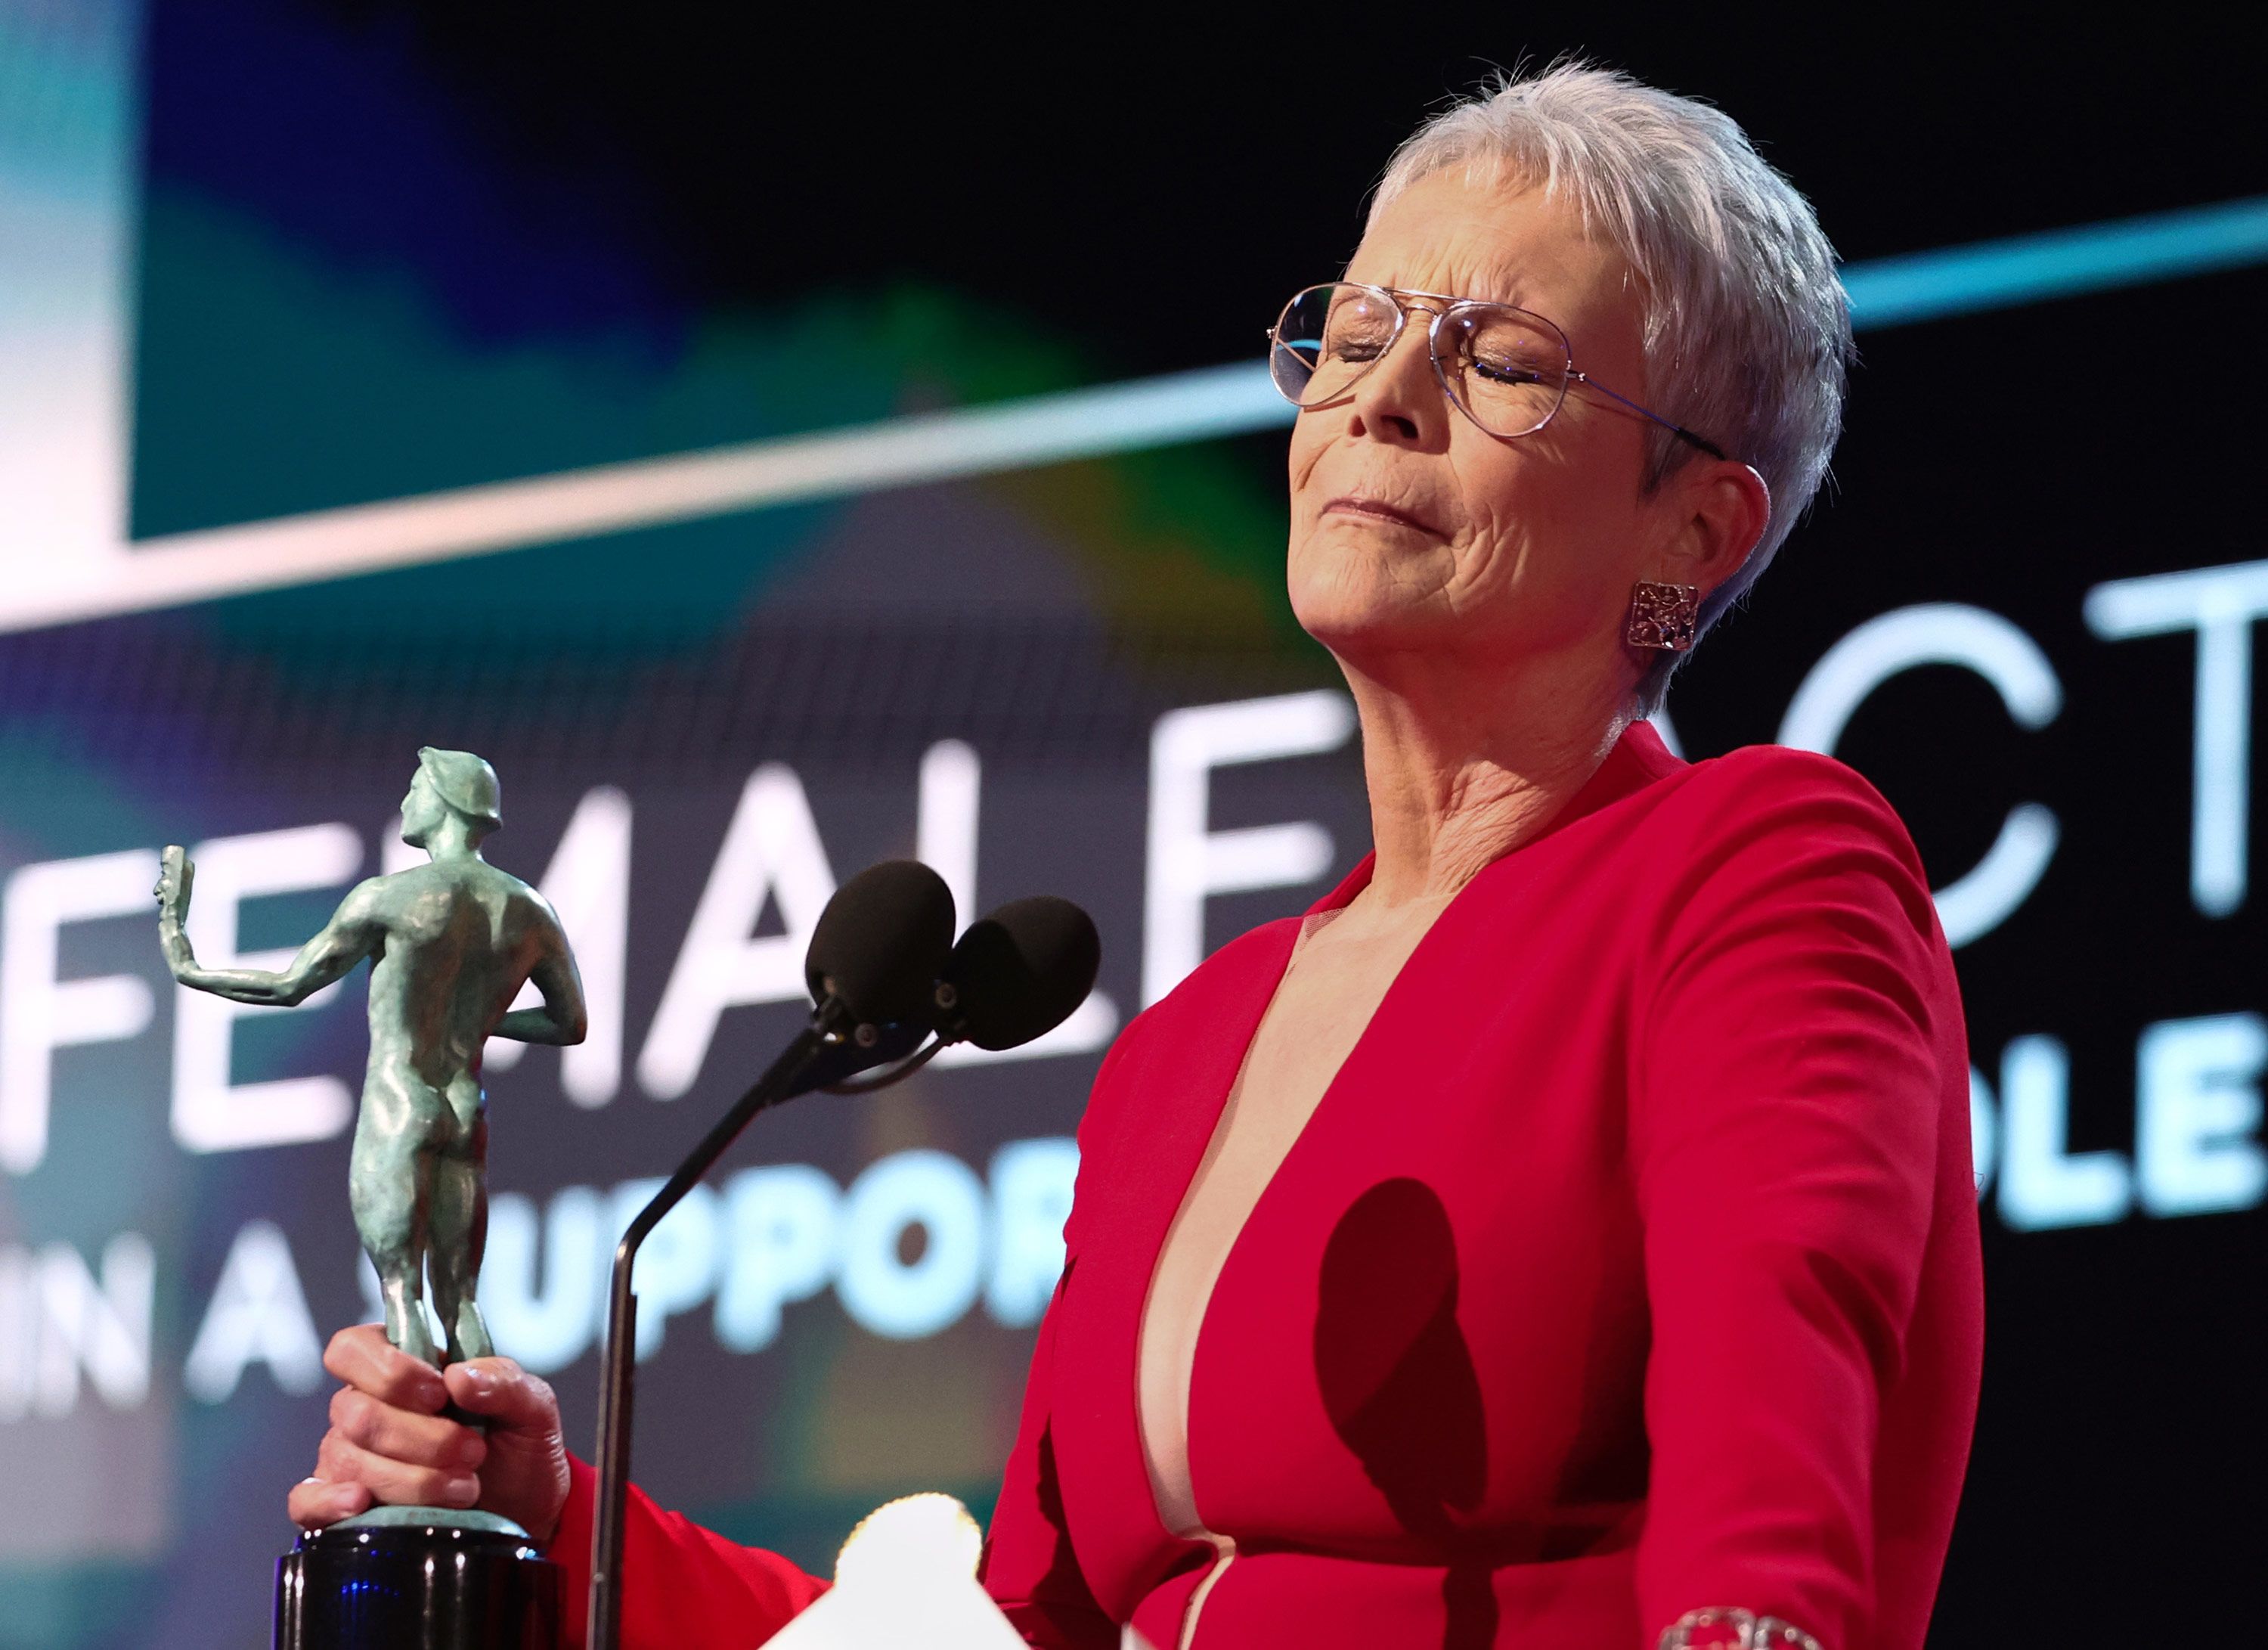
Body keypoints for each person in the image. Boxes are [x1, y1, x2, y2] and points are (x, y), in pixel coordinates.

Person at [288, 64, 1981, 1650]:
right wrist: (559, 1512)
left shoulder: (1752, 868)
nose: (1380, 398)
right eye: (1361, 327)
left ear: (1694, 524)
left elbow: (1778, 1455)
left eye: (1502, 360)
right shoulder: (1192, 1043)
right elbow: (1012, 1629)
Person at [163, 747, 587, 1366]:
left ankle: (427, 1448)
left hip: (400, 1097)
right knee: (461, 1303)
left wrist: (186, 961)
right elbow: (568, 1023)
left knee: (402, 1295)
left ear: (445, 802)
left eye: (416, 787)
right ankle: (480, 1457)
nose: (404, 801)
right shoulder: (529, 911)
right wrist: (483, 1021)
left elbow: (288, 986)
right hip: (466, 1107)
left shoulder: (388, 898)